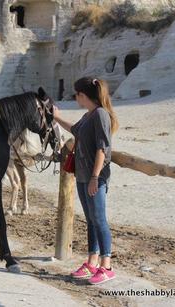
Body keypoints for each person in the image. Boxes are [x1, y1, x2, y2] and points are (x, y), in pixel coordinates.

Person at [53, 77, 119, 285]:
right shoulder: (88, 115)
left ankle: (106, 265)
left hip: (94, 177)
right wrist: (56, 118)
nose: (75, 97)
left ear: (83, 95)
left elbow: (102, 148)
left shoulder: (100, 115)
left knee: (99, 219)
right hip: (82, 176)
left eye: (76, 94)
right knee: (90, 220)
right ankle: (92, 262)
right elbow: (75, 130)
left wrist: (95, 177)